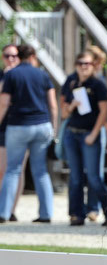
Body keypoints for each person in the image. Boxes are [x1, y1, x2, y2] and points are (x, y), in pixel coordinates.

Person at [0, 45, 57, 223]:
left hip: (18, 125)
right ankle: (46, 214)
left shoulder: (11, 75)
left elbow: (4, 103)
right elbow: (53, 105)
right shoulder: (42, 74)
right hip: (42, 125)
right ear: (32, 56)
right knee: (41, 171)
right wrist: (54, 130)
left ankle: (3, 212)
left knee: (12, 170)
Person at [61, 51, 107, 226]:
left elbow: (104, 111)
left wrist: (93, 134)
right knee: (75, 177)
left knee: (94, 177)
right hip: (72, 133)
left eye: (87, 63)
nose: (83, 66)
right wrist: (71, 106)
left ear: (93, 65)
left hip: (90, 134)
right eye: (80, 63)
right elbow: (63, 113)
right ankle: (76, 215)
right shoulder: (70, 82)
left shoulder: (98, 84)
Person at [83, 45, 107, 221]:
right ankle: (92, 208)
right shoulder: (91, 78)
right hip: (94, 127)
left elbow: (103, 108)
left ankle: (96, 208)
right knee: (93, 173)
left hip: (96, 128)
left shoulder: (98, 79)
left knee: (95, 174)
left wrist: (105, 126)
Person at [0, 43, 25, 221]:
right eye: (7, 55)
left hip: (20, 126)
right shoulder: (3, 76)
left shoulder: (24, 75)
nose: (10, 59)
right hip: (3, 127)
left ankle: (12, 209)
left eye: (14, 56)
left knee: (17, 169)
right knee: (2, 169)